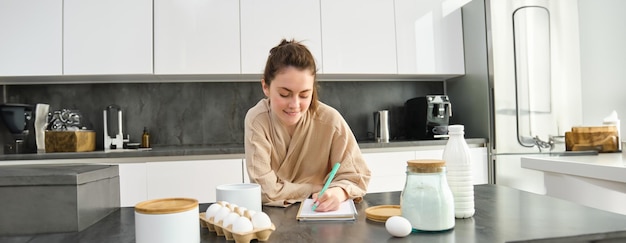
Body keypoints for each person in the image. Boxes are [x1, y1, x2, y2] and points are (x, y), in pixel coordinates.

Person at [244, 39, 371, 212]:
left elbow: (357, 177)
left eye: (304, 95)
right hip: (273, 221)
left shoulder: (330, 121)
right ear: (266, 87)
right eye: (284, 94)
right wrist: (315, 188)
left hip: (323, 220)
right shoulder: (257, 120)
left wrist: (338, 193)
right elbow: (265, 191)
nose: (294, 104)